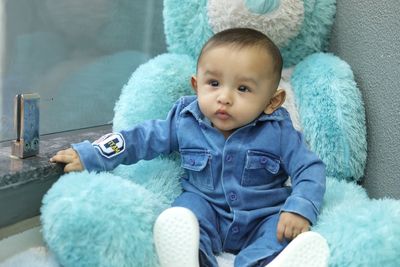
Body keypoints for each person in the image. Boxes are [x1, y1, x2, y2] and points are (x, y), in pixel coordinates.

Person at [50, 28, 329, 267]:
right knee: (185, 214)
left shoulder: (278, 131)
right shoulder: (186, 121)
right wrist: (92, 154)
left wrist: (299, 209)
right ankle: (189, 257)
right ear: (197, 86)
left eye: (243, 89)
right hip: (207, 211)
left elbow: (309, 168)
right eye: (214, 83)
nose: (224, 98)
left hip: (262, 216)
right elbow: (139, 138)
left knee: (279, 233)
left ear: (272, 101)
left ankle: (266, 260)